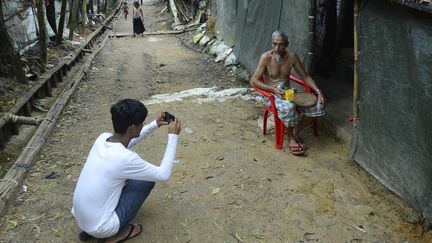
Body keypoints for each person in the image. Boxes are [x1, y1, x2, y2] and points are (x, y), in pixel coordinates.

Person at [72, 99, 181, 242]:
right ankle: (113, 236)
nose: (142, 125)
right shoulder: (126, 159)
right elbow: (163, 175)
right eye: (141, 123)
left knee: (124, 178)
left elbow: (128, 140)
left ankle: (93, 231)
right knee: (145, 182)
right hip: (101, 227)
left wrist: (154, 124)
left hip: (81, 217)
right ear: (133, 128)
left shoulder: (103, 138)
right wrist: (173, 136)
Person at [250, 30, 325, 155]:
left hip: (288, 92)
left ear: (287, 44)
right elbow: (254, 81)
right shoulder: (266, 57)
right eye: (274, 44)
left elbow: (305, 76)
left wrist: (318, 91)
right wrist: (273, 89)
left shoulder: (292, 57)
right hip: (273, 94)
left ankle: (295, 131)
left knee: (319, 104)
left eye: (281, 44)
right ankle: (290, 137)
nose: (277, 48)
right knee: (289, 107)